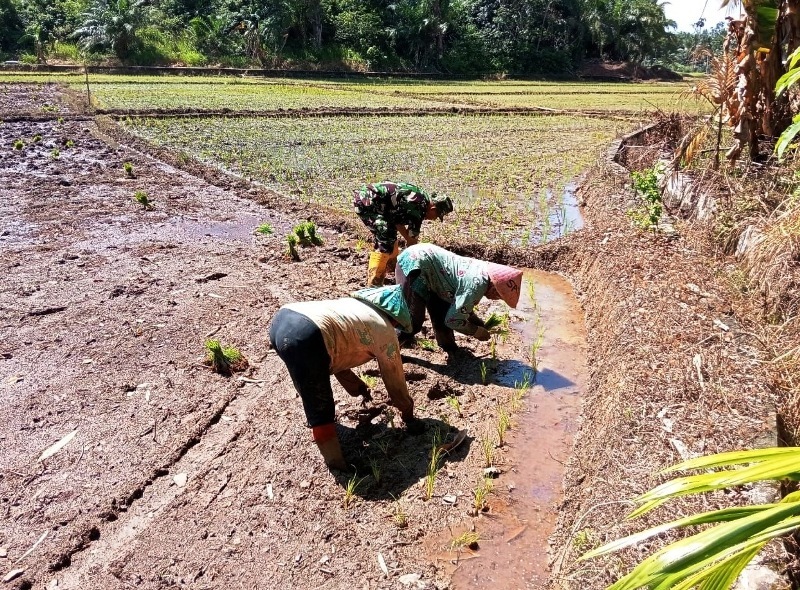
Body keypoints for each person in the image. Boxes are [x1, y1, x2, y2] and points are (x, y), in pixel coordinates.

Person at [268, 285, 422, 471]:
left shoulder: (353, 308)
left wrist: (357, 387)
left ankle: (317, 419)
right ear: (395, 319)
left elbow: (336, 353)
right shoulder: (384, 329)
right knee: (320, 406)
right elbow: (394, 376)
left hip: (282, 319)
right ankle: (337, 464)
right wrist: (408, 412)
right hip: (306, 337)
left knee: (307, 377)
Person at [395, 243, 523, 351]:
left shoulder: (483, 272)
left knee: (442, 311)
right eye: (499, 296)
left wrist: (477, 322)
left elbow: (461, 307)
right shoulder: (476, 285)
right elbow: (453, 321)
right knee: (412, 322)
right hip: (414, 265)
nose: (495, 299)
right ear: (495, 286)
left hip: (434, 273)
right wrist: (475, 331)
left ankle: (449, 347)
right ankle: (386, 349)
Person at [353, 181, 454, 287]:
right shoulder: (418, 208)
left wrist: (409, 240)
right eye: (436, 216)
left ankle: (392, 267)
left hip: (374, 203)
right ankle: (374, 284)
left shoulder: (421, 200)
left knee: (390, 234)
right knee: (386, 239)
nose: (434, 219)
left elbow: (397, 222)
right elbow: (412, 244)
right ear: (433, 209)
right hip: (368, 203)